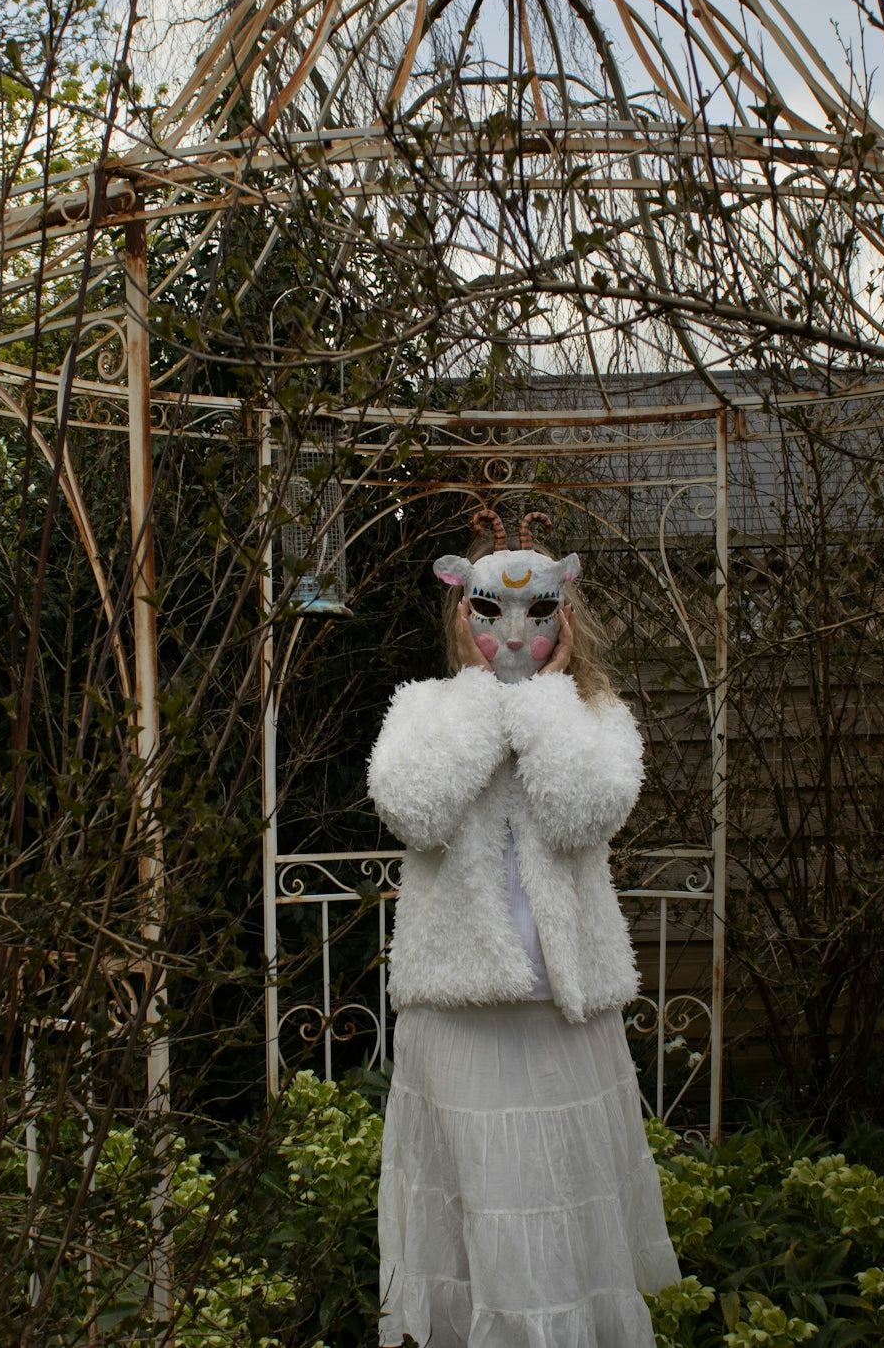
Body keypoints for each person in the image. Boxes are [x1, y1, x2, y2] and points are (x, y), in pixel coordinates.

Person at [368, 508, 680, 1348]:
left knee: (564, 1207)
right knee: (481, 1202)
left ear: (564, 617)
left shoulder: (594, 713)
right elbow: (411, 806)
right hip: (458, 1014)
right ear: (460, 614)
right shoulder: (425, 707)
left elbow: (586, 812)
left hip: (563, 1014)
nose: (511, 634)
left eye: (538, 615)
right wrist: (481, 707)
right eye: (490, 615)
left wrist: (541, 703)